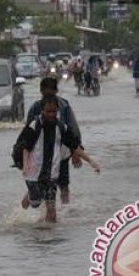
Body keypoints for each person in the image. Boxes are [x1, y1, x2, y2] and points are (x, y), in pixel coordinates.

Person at [19, 95, 100, 223]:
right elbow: (25, 147)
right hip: (33, 173)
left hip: (51, 174)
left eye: (54, 112)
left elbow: (75, 147)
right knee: (35, 202)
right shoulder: (35, 125)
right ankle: (25, 206)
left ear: (57, 111)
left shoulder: (61, 127)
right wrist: (25, 164)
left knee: (52, 211)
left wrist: (91, 162)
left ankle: (50, 237)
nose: (51, 114)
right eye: (48, 112)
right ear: (42, 111)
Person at [26, 77, 82, 204]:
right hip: (41, 155)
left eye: (51, 93)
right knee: (41, 183)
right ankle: (43, 206)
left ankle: (65, 213)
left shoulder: (64, 106)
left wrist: (76, 151)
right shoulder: (35, 107)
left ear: (56, 91)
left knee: (64, 185)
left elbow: (72, 129)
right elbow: (28, 133)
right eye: (46, 94)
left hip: (61, 153)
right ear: (41, 92)